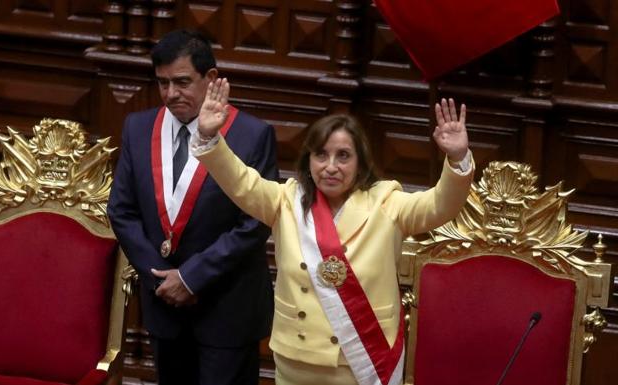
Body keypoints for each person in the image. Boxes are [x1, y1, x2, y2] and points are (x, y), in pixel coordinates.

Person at [190, 78, 474, 385]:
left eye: (343, 156)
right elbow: (241, 182)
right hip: (296, 358)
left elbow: (440, 205)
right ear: (308, 160)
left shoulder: (387, 202)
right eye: (321, 155)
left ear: (360, 162)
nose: (330, 166)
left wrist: (457, 157)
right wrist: (209, 136)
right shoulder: (286, 200)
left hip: (360, 361)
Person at [107, 30, 277, 385]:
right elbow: (122, 211)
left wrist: (190, 277)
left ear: (210, 78)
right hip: (164, 306)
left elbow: (255, 222)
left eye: (182, 82)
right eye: (163, 83)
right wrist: (162, 280)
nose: (171, 94)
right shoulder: (137, 128)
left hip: (226, 308)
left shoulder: (251, 135)